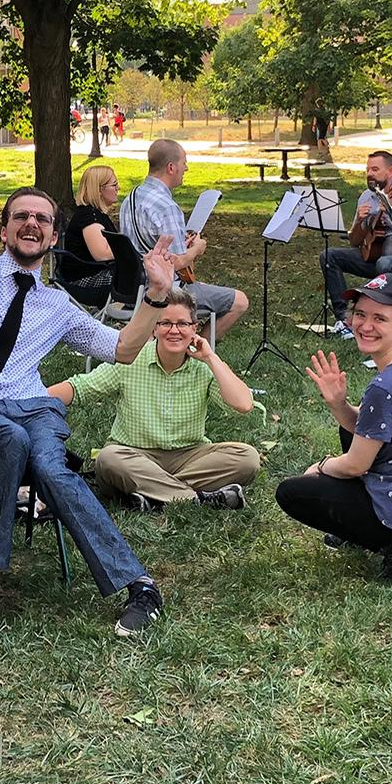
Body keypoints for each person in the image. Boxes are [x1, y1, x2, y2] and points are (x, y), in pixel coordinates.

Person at [0, 187, 178, 636]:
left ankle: (140, 585)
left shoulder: (57, 306)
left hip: (35, 409)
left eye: (43, 219)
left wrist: (154, 295)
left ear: (53, 237)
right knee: (7, 439)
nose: (32, 223)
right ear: (4, 229)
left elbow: (123, 349)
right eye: (21, 216)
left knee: (53, 469)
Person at [274, 273, 392, 581]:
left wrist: (319, 467)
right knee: (351, 429)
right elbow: (374, 424)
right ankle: (373, 528)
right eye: (360, 314)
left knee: (293, 492)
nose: (365, 325)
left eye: (380, 318)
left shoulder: (386, 387)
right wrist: (338, 404)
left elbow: (354, 465)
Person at [48, 287, 261, 511]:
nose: (174, 330)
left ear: (194, 328)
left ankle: (153, 495)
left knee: (247, 458)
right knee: (109, 459)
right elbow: (79, 388)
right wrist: (26, 400)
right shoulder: (131, 361)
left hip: (189, 455)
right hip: (134, 454)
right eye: (165, 323)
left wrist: (210, 357)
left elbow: (244, 405)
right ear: (154, 329)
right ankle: (198, 498)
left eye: (182, 324)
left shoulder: (204, 366)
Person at [118, 139, 249, 338]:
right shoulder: (167, 207)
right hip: (164, 291)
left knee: (202, 287)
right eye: (184, 163)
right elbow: (177, 263)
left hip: (132, 289)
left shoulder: (131, 197)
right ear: (171, 167)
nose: (186, 168)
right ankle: (192, 354)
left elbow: (144, 246)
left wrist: (182, 246)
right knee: (240, 301)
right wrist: (197, 248)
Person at [319, 151, 392, 339]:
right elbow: (354, 241)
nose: (370, 174)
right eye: (367, 169)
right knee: (329, 256)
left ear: (390, 171)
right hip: (373, 255)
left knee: (385, 264)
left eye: (375, 169)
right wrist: (360, 222)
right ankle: (345, 320)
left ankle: (380, 319)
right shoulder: (366, 197)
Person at [57, 164, 122, 305]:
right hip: (84, 281)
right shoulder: (89, 217)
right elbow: (101, 254)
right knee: (144, 277)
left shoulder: (94, 214)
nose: (119, 188)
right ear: (99, 190)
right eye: (114, 185)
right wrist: (128, 250)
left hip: (93, 274)